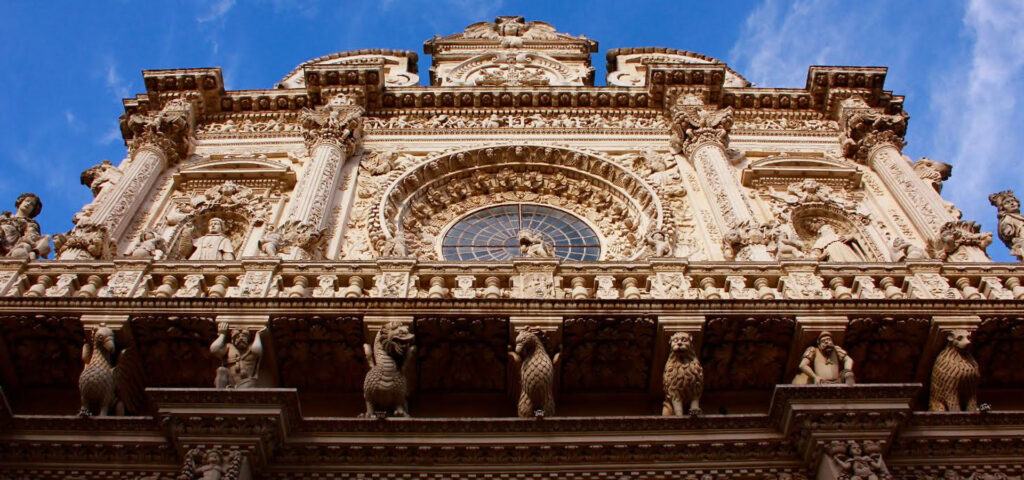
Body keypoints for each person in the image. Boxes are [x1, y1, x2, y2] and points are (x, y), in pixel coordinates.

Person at [210, 322, 263, 389]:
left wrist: (257, 334)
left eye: (244, 336)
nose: (241, 338)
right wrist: (222, 334)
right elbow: (214, 349)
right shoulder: (229, 347)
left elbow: (257, 350)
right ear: (233, 340)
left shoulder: (251, 348)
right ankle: (220, 394)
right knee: (221, 370)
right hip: (230, 382)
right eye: (237, 337)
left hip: (247, 382)